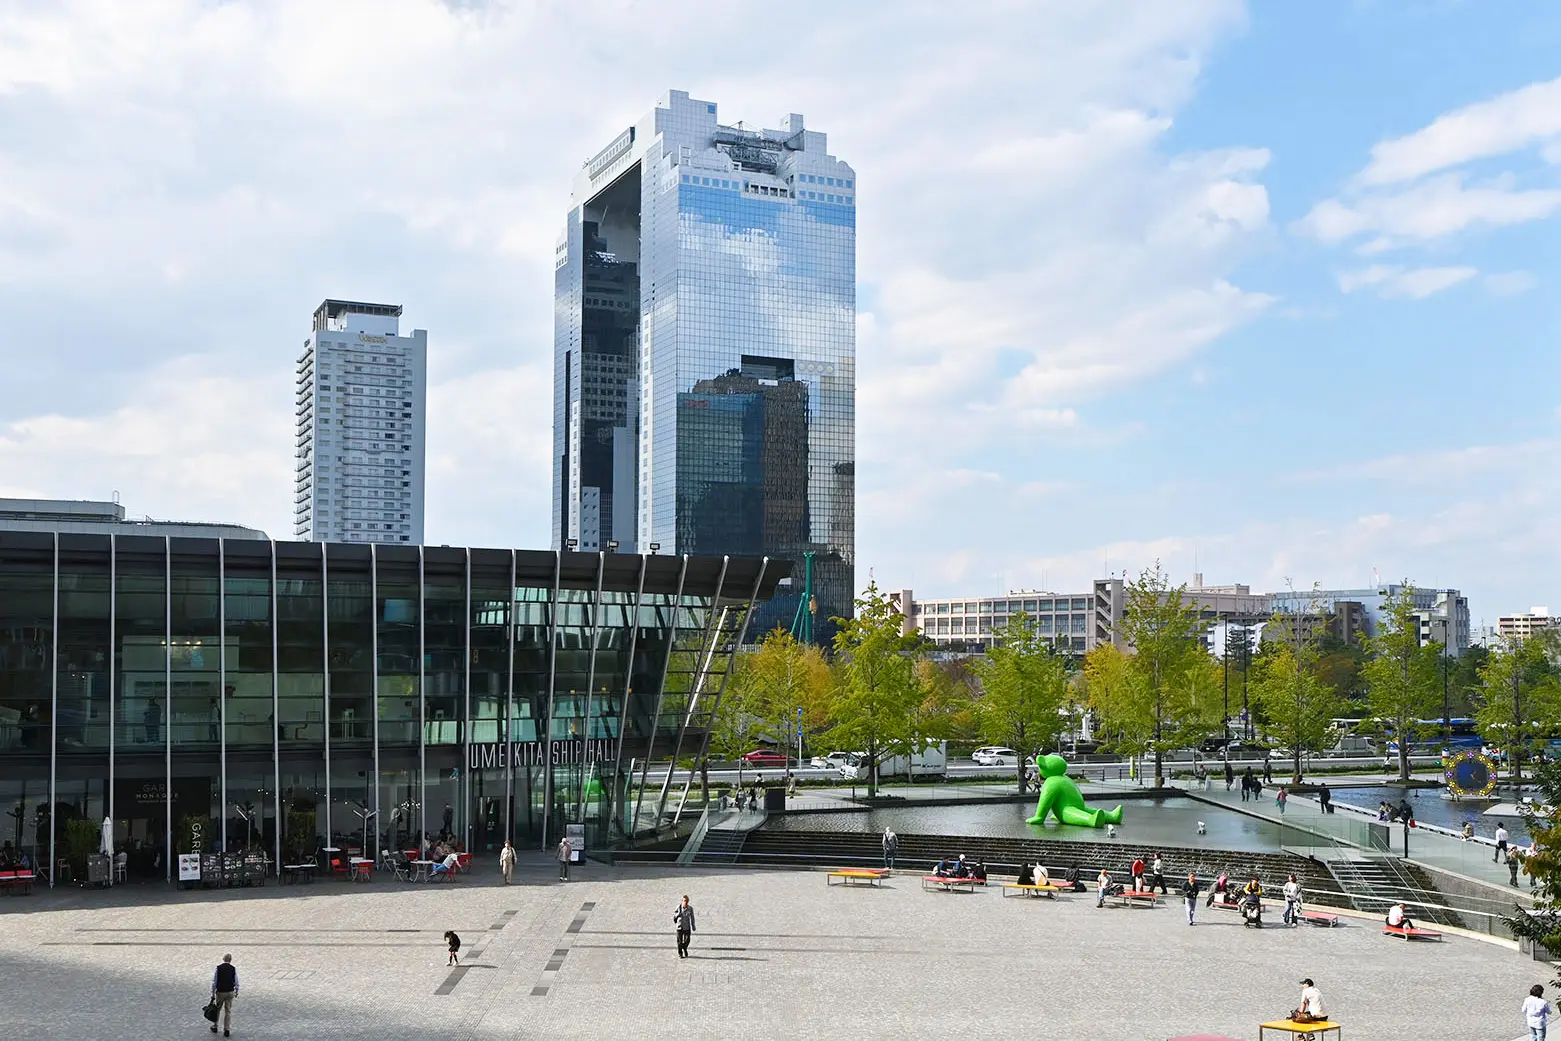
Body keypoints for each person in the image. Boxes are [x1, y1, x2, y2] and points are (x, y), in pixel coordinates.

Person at [209, 953, 238, 1037]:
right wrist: (236, 990)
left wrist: (213, 993)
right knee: (228, 1011)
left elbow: (215, 981)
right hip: (230, 992)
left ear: (223, 959)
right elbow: (236, 981)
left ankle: (215, 1026)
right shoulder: (233, 969)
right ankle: (227, 1029)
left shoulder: (218, 968)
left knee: (217, 1009)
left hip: (221, 992)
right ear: (230, 960)